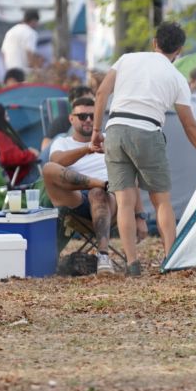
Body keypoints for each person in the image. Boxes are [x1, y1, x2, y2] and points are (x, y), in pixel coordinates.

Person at [91, 21, 196, 276]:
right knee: (161, 200)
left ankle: (132, 263)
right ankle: (170, 259)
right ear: (179, 51)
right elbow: (190, 125)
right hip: (147, 131)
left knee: (125, 201)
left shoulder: (126, 60)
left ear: (154, 42)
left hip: (116, 129)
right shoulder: (176, 78)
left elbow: (101, 94)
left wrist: (97, 131)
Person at [43, 95, 119, 274]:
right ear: (71, 118)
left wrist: (139, 215)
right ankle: (98, 183)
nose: (88, 120)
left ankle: (103, 256)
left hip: (109, 200)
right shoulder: (62, 142)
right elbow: (57, 160)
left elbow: (128, 169)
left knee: (97, 193)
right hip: (75, 200)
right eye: (82, 116)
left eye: (92, 116)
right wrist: (88, 148)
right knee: (48, 168)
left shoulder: (109, 139)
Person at [0, 9, 40, 76]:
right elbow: (29, 53)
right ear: (33, 21)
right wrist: (35, 69)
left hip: (9, 73)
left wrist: (7, 70)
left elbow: (2, 53)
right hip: (23, 73)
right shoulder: (31, 33)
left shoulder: (10, 31)